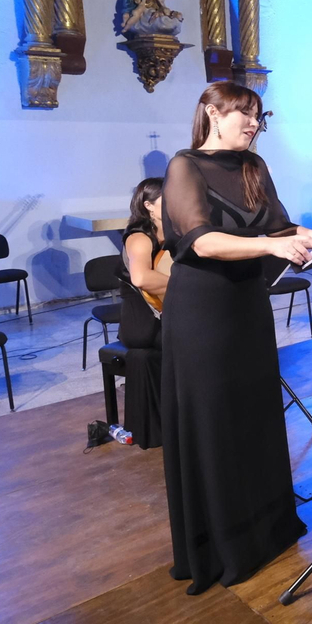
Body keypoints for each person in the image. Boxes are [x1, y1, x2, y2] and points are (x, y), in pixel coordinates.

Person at [159, 81, 312, 593]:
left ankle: (267, 529)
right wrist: (269, 246)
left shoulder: (255, 168)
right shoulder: (184, 166)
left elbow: (282, 229)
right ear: (212, 113)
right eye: (244, 114)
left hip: (247, 309)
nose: (254, 124)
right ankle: (222, 545)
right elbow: (200, 241)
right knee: (215, 425)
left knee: (255, 417)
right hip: (202, 315)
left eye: (259, 116)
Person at [120, 177, 170, 449]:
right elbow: (141, 278)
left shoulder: (177, 233)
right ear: (149, 205)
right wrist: (188, 286)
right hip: (142, 322)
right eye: (169, 196)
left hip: (167, 312)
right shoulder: (139, 236)